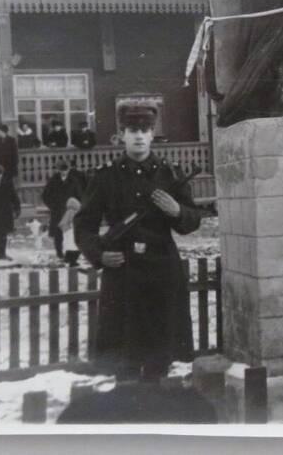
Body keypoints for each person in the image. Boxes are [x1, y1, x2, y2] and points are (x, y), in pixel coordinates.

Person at [74, 102, 202, 382]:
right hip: (123, 274)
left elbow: (193, 220)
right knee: (125, 360)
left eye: (145, 130)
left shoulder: (170, 173)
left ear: (153, 133)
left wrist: (177, 211)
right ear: (121, 135)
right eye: (132, 130)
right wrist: (99, 255)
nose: (139, 136)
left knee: (160, 357)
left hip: (161, 273)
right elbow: (83, 225)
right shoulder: (106, 176)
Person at [41, 161, 85, 259]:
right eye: (62, 170)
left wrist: (76, 208)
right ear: (58, 170)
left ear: (69, 170)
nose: (64, 172)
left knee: (70, 233)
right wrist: (53, 206)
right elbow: (45, 195)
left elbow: (79, 196)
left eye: (66, 170)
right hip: (57, 211)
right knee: (58, 233)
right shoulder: (53, 180)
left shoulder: (74, 181)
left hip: (70, 212)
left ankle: (72, 253)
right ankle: (59, 252)